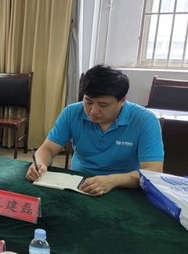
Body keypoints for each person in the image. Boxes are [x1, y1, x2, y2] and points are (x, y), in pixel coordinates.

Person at [26, 64, 164, 195]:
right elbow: (48, 149)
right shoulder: (72, 113)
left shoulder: (145, 120)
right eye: (88, 102)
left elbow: (153, 171)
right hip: (80, 182)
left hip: (124, 187)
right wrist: (40, 163)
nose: (93, 111)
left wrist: (113, 180)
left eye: (103, 105)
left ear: (122, 100)